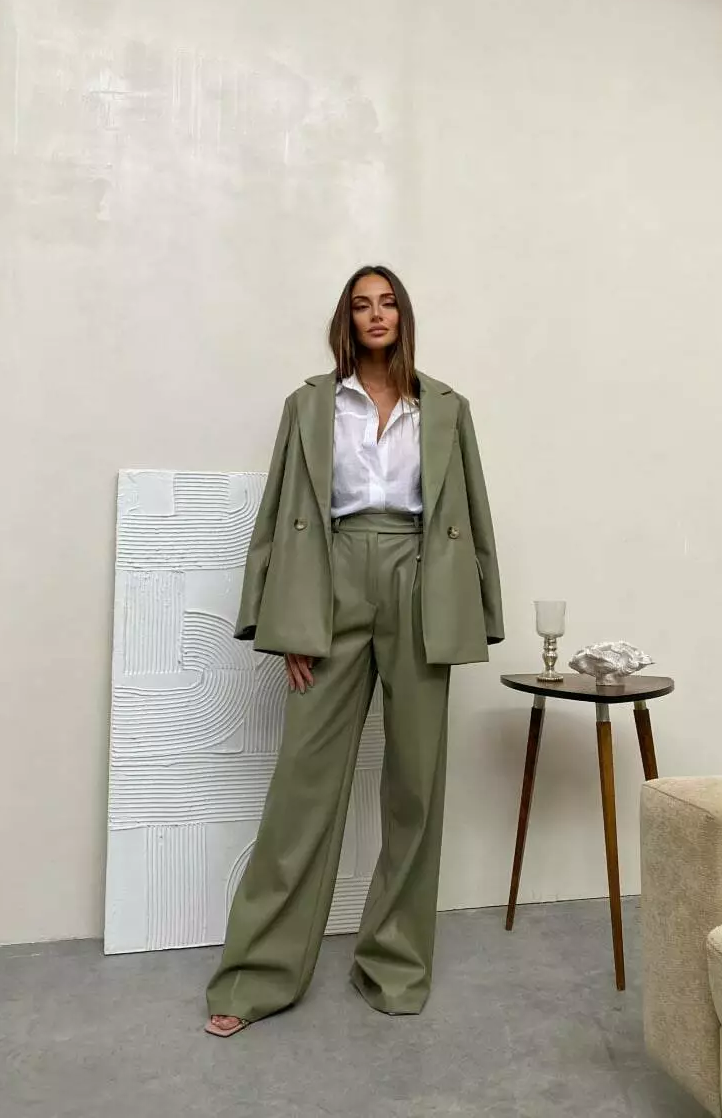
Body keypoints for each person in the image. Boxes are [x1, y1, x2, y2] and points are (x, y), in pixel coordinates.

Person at [204, 265, 504, 1037]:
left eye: (388, 303)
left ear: (403, 316)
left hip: (420, 582)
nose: (377, 314)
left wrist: (472, 615)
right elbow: (281, 515)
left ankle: (394, 965)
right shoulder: (311, 404)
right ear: (346, 320)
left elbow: (471, 513)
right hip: (332, 578)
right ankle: (257, 975)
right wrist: (285, 624)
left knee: (415, 788)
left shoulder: (445, 407)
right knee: (303, 787)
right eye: (362, 305)